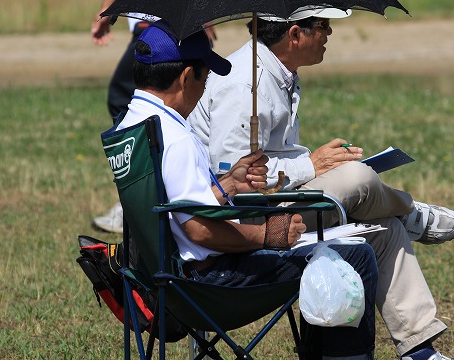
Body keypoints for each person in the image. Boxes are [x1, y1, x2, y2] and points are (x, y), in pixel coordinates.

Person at [188, 7, 454, 359]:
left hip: (277, 203)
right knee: (358, 176)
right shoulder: (244, 84)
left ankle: (419, 349)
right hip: (250, 219)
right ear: (295, 34)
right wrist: (311, 165)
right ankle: (408, 212)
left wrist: (313, 166)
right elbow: (238, 179)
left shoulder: (276, 71)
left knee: (385, 230)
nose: (329, 33)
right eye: (323, 26)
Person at [116, 22, 380, 359]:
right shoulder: (178, 139)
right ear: (186, 78)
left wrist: (228, 183)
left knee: (329, 250)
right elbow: (198, 229)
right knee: (354, 255)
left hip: (158, 279)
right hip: (209, 284)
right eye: (205, 78)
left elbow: (174, 207)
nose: (206, 88)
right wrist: (268, 235)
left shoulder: (132, 126)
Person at [90, 0, 216, 233]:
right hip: (144, 17)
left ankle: (148, 193)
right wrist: (109, 7)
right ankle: (147, 192)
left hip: (165, 17)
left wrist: (200, 11)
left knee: (132, 96)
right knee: (132, 97)